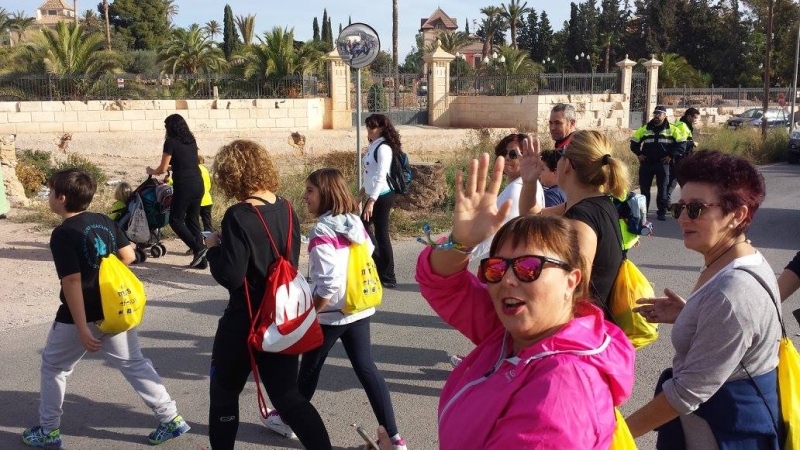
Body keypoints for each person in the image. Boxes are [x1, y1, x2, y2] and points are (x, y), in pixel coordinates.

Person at [415, 155, 635, 447]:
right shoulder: (516, 334)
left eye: (529, 267)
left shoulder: (561, 387)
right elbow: (442, 283)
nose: (507, 279)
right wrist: (461, 242)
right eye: (496, 267)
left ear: (572, 281)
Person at [22, 168, 190, 449]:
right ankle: (170, 417)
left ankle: (48, 430)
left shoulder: (63, 233)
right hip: (114, 308)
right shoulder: (102, 220)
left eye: (50, 192)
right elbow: (128, 256)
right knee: (134, 363)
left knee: (54, 368)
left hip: (81, 315)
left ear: (61, 198)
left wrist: (81, 328)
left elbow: (72, 281)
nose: (49, 196)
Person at [628, 150, 782, 448]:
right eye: (679, 207)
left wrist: (611, 433)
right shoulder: (737, 259)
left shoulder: (732, 292)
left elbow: (687, 393)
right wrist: (690, 313)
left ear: (737, 215)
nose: (682, 218)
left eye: (696, 208)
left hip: (721, 437)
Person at [265, 168, 407, 450]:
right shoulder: (353, 221)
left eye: (310, 191)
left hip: (330, 315)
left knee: (309, 370)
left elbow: (328, 285)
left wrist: (310, 315)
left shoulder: (322, 230)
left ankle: (288, 420)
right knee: (367, 369)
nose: (304, 196)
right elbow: (368, 252)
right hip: (358, 307)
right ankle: (394, 438)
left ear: (326, 194)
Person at [204, 140, 331, 450]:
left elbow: (231, 277)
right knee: (288, 397)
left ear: (231, 175)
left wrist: (214, 248)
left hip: (245, 321)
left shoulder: (238, 215)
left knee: (224, 394)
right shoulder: (286, 207)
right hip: (282, 317)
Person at [518, 130, 630, 313]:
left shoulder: (581, 220)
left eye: (559, 156)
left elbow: (577, 290)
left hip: (581, 323)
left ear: (568, 165)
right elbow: (532, 216)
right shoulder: (591, 203)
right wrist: (529, 182)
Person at [470, 133, 545, 261]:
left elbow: (498, 236)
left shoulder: (517, 189)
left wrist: (467, 257)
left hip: (500, 262)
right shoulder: (528, 185)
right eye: (503, 153)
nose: (507, 158)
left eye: (513, 154)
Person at [146, 114, 206, 268]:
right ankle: (202, 260)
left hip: (184, 185)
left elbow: (162, 169)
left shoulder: (170, 142)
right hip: (198, 183)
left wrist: (151, 171)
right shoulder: (191, 140)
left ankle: (198, 248)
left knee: (175, 220)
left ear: (170, 127)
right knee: (192, 220)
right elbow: (186, 162)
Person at [360, 114, 400, 288]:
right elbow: (369, 174)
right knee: (363, 228)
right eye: (368, 126)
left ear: (382, 128)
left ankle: (388, 276)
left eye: (373, 127)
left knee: (380, 233)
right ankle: (380, 267)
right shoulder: (373, 145)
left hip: (382, 196)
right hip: (373, 195)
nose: (369, 130)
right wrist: (360, 193)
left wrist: (371, 201)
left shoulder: (384, 148)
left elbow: (381, 176)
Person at [630, 105, 688, 221]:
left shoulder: (672, 129)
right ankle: (643, 213)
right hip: (647, 163)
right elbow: (634, 142)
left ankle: (661, 212)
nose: (656, 116)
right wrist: (639, 154)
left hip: (663, 163)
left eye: (659, 114)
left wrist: (671, 156)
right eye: (655, 113)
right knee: (644, 189)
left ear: (665, 115)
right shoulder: (645, 128)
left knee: (663, 189)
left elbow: (682, 144)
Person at [668, 107, 700, 201]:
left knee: (673, 181)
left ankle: (666, 202)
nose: (696, 120)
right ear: (689, 117)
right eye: (695, 117)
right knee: (684, 182)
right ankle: (686, 202)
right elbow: (681, 143)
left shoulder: (683, 124)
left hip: (678, 157)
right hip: (681, 158)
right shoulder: (683, 126)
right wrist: (692, 143)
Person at [197, 154, 215, 233]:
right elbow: (209, 184)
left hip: (197, 200)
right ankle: (209, 238)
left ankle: (197, 238)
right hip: (207, 199)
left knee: (194, 222)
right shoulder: (205, 169)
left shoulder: (193, 169)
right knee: (207, 224)